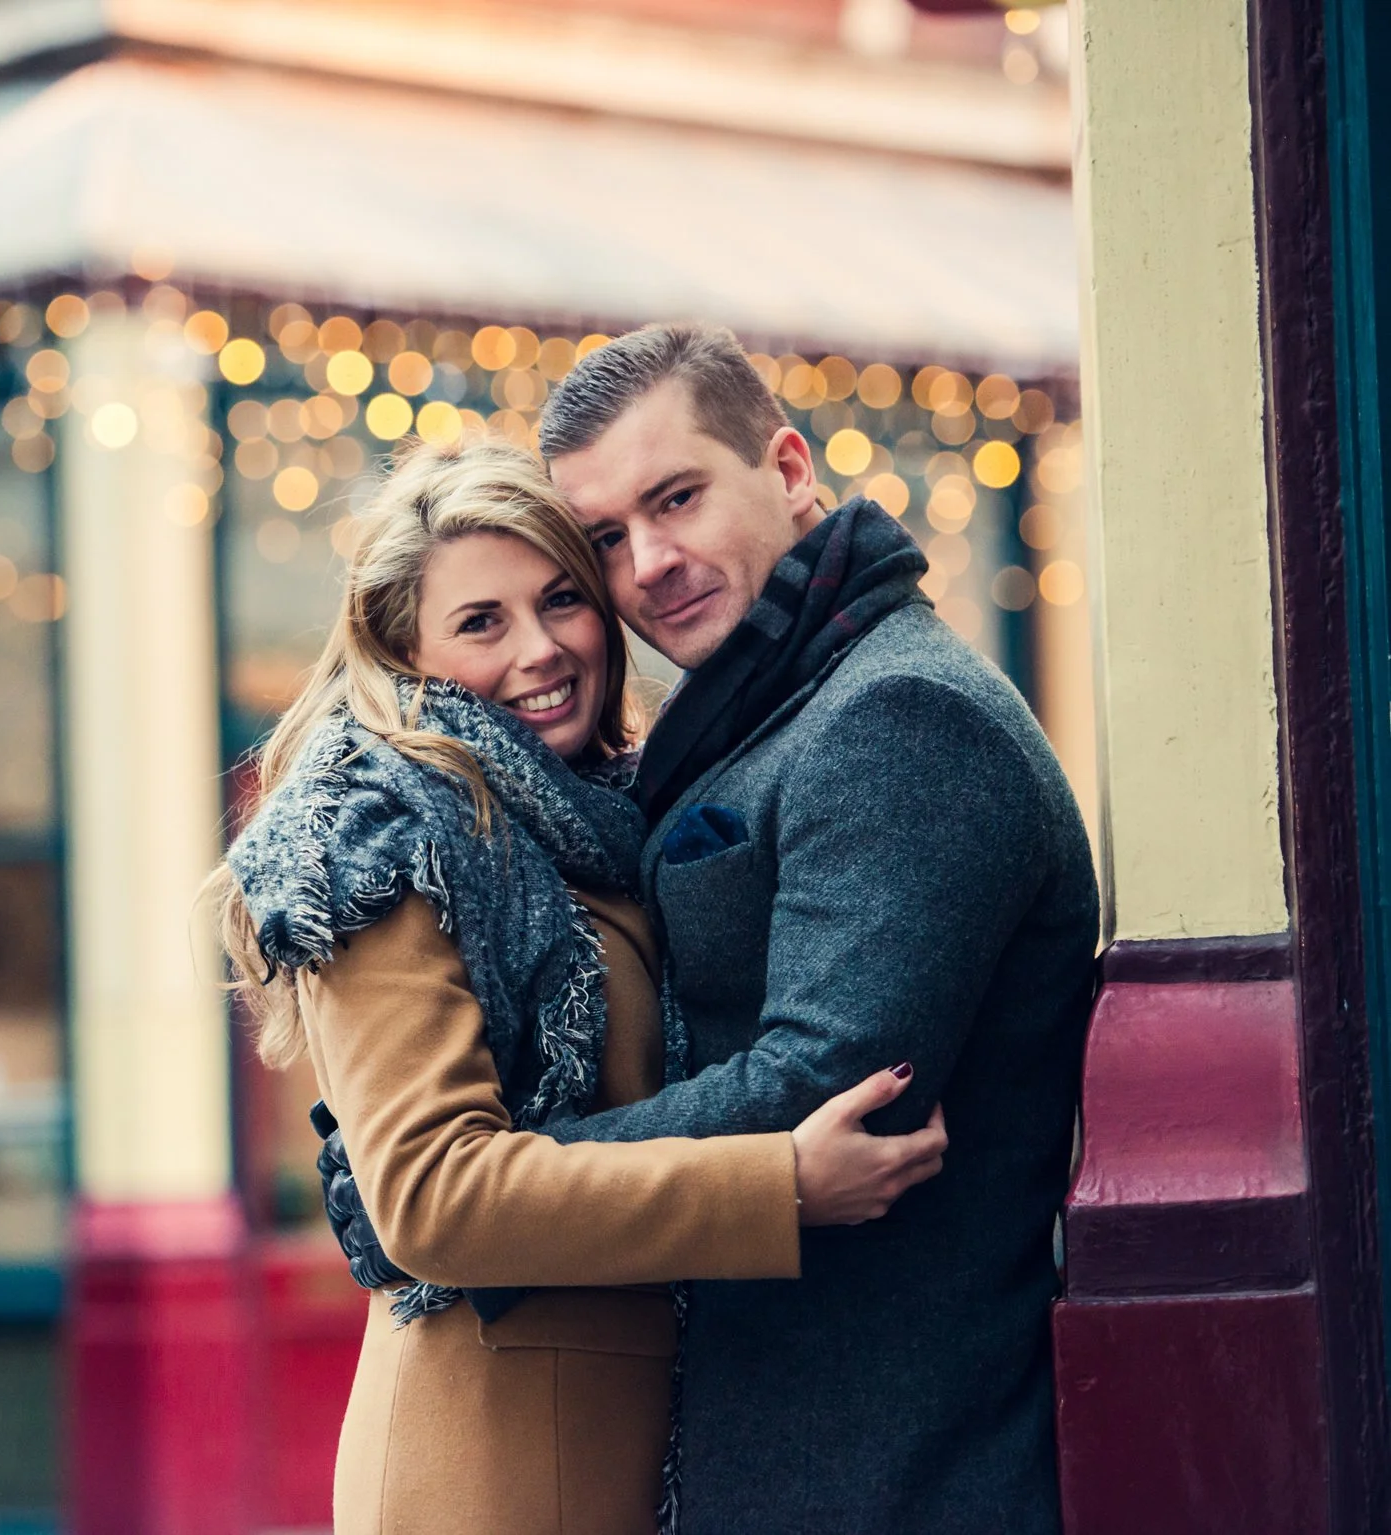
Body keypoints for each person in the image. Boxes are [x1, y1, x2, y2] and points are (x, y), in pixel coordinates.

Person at [213, 436, 948, 1535]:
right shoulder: (391, 836)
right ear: (404, 651)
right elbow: (432, 1197)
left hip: (631, 1446)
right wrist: (780, 1184)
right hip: (499, 1466)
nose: (539, 648)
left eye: (560, 599)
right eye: (480, 622)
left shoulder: (597, 820)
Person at [534, 323, 1097, 1534]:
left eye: (675, 498)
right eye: (606, 538)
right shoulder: (765, 706)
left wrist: (499, 1184)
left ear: (786, 468)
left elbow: (828, 1080)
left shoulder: (899, 712)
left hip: (887, 1466)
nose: (650, 563)